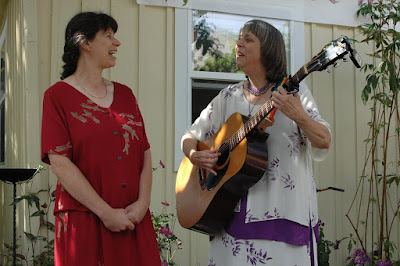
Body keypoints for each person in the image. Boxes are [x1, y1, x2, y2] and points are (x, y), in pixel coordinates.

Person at [181, 19, 331, 265]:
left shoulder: (295, 94)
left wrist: (299, 116)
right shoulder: (227, 97)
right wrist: (193, 155)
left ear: (269, 49)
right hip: (228, 217)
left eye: (248, 39)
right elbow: (190, 136)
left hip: (283, 219)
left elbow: (324, 140)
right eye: (239, 38)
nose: (238, 43)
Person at [41, 12, 160, 265]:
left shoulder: (126, 95)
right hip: (84, 222)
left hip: (132, 220)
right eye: (108, 36)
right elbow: (60, 163)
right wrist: (106, 213)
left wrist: (142, 204)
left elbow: (144, 151)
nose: (116, 43)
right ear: (85, 43)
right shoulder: (57, 97)